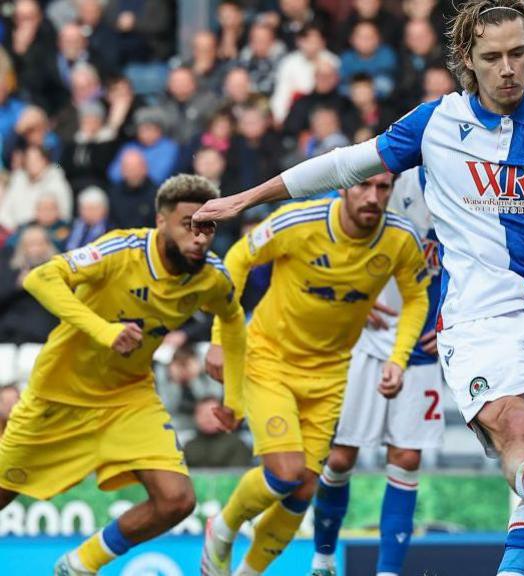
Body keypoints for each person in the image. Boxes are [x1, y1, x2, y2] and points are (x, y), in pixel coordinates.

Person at [191, 3, 524, 576]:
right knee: (517, 427)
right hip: (480, 322)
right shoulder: (437, 123)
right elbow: (342, 166)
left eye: (518, 54)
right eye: (492, 57)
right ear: (467, 60)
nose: (508, 68)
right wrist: (242, 199)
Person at [0, 175, 246, 575]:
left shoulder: (211, 277)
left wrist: (234, 397)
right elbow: (39, 278)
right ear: (161, 221)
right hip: (60, 393)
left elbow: (233, 318)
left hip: (127, 397)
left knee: (177, 500)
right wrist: (104, 330)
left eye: (208, 226)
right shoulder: (122, 249)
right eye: (188, 224)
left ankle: (80, 564)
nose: (199, 236)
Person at [199, 172, 430, 576]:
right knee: (285, 473)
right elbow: (237, 257)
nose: (373, 197)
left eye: (382, 188)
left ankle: (247, 572)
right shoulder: (299, 222)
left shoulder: (400, 239)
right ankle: (222, 527)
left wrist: (398, 358)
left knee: (305, 486)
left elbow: (415, 297)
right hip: (270, 360)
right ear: (344, 186)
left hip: (331, 374)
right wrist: (220, 336)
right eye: (364, 186)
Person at [308, 168, 443, 576]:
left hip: (422, 344)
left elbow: (481, 260)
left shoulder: (470, 185)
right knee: (341, 455)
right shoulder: (382, 181)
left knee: (405, 458)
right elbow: (324, 243)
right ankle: (324, 559)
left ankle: (388, 572)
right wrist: (351, 298)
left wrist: (457, 318)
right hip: (366, 337)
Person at [183, 397, 252, 468]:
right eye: (204, 414)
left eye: (214, 414)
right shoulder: (189, 446)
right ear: (195, 417)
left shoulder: (237, 444)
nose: (208, 418)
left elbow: (237, 473)